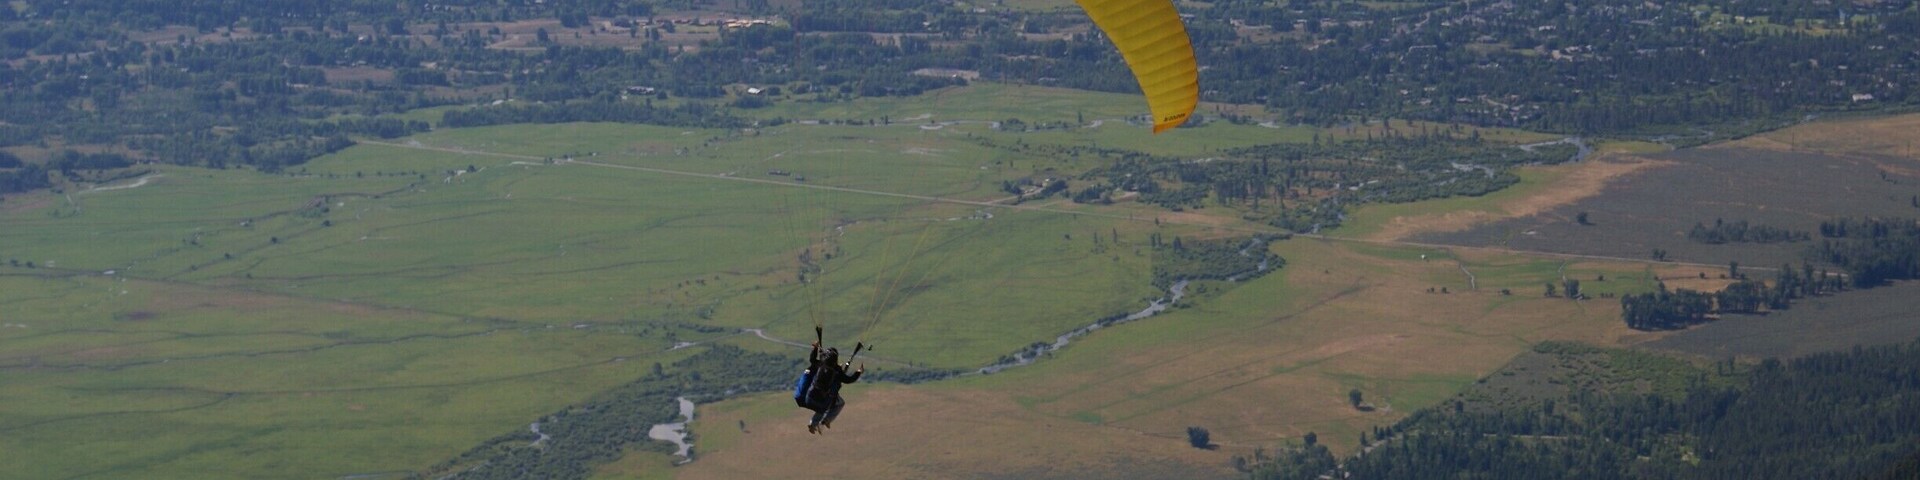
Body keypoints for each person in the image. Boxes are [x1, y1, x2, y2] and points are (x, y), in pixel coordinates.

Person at [800, 341, 863, 434]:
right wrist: (858, 372)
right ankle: (825, 421)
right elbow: (848, 380)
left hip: (809, 397)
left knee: (824, 406)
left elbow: (812, 359)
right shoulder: (837, 371)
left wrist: (815, 348)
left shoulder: (820, 363)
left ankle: (814, 423)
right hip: (821, 400)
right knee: (837, 404)